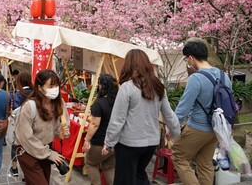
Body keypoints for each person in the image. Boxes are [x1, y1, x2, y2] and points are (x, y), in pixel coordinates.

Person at [103, 49, 180, 185]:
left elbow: (117, 120)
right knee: (140, 175)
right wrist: (175, 133)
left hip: (129, 143)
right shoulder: (158, 87)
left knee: (124, 179)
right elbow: (169, 115)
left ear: (128, 65)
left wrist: (109, 143)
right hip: (151, 143)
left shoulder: (127, 88)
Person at [172, 40, 231, 185]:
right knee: (205, 165)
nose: (187, 62)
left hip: (197, 128)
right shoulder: (224, 76)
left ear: (191, 58)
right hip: (217, 129)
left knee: (179, 157)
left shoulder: (196, 78)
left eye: (186, 59)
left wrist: (172, 127)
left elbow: (183, 108)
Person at [13, 69, 70, 185]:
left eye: (56, 85)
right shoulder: (29, 107)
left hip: (45, 148)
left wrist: (63, 132)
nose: (55, 89)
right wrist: (49, 154)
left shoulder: (59, 103)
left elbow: (60, 128)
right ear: (39, 87)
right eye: (51, 86)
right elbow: (26, 137)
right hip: (27, 151)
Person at [82, 74, 118, 185]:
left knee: (90, 163)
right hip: (114, 142)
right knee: (109, 167)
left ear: (101, 86)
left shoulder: (99, 103)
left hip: (99, 143)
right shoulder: (118, 102)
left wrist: (86, 140)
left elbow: (94, 124)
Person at [10, 70, 33, 178]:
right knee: (29, 148)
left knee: (16, 146)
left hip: (20, 125)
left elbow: (15, 110)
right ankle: (26, 174)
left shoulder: (18, 94)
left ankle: (14, 168)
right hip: (33, 124)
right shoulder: (35, 93)